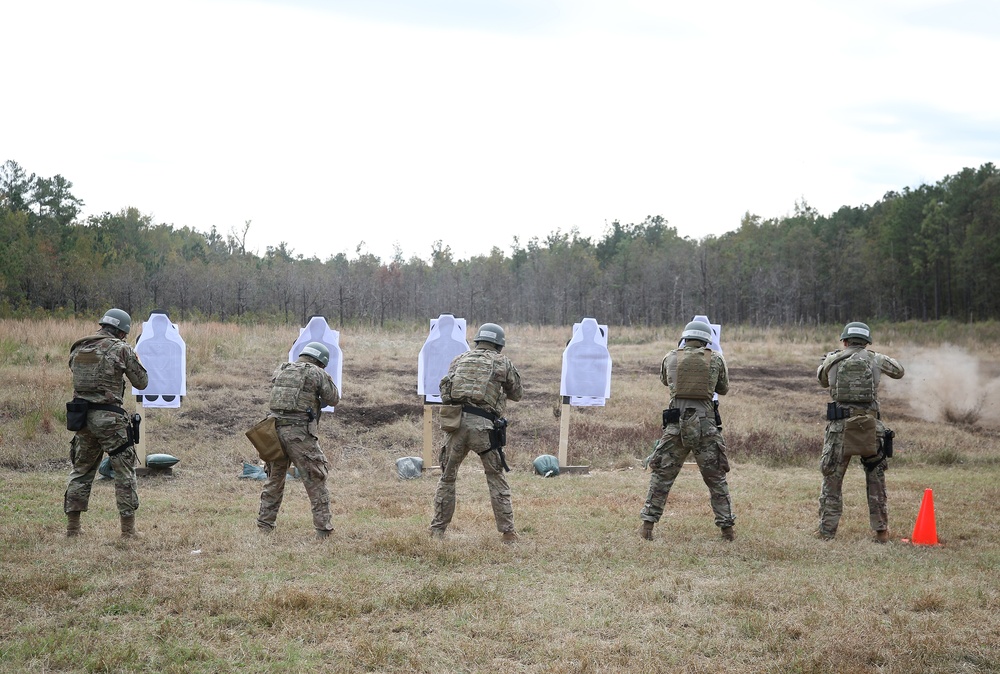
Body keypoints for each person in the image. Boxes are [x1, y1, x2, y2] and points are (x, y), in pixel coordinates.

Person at [639, 321, 735, 541]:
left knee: (662, 476)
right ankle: (727, 530)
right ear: (705, 340)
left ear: (685, 337)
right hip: (706, 426)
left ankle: (647, 527)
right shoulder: (716, 359)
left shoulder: (670, 357)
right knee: (716, 479)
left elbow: (665, 381)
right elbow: (724, 389)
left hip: (676, 425)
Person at [430, 322, 523, 542]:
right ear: (499, 344)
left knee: (447, 478)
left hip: (455, 425)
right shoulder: (502, 362)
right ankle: (508, 533)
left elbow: (446, 390)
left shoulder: (459, 359)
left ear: (478, 340)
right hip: (484, 427)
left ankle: (437, 531)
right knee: (495, 477)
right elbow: (517, 393)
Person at [817, 322, 904, 543]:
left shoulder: (833, 359)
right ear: (866, 342)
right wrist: (875, 356)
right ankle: (881, 531)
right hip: (869, 427)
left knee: (832, 480)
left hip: (839, 428)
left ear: (845, 341)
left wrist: (831, 358)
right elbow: (899, 371)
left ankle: (827, 532)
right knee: (876, 479)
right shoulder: (875, 359)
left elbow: (822, 380)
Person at [65, 308, 148, 538]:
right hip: (111, 420)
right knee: (124, 472)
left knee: (81, 471)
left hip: (81, 418)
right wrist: (136, 359)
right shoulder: (121, 349)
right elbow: (141, 382)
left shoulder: (79, 347)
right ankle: (128, 532)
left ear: (103, 325)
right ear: (123, 332)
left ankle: (73, 528)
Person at [257, 342, 341, 539]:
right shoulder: (316, 373)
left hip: (273, 431)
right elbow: (334, 398)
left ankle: (264, 525)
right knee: (315, 478)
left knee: (274, 480)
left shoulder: (282, 369)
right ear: (322, 361)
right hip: (299, 434)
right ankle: (323, 529)